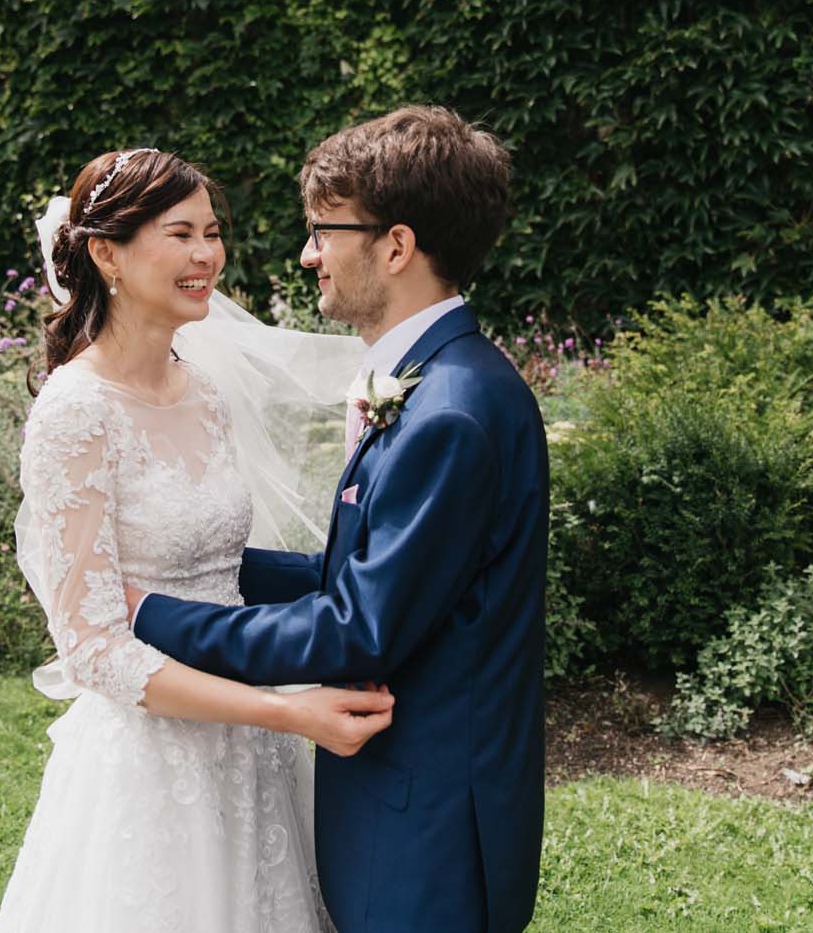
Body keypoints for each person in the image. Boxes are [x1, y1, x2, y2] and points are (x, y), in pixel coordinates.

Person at [129, 106, 550, 933]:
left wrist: (156, 612)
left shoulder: (451, 413)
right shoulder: (436, 380)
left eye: (324, 230)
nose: (308, 252)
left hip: (427, 829)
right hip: (410, 806)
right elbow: (371, 575)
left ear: (395, 246)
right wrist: (212, 559)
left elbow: (359, 627)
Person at [0, 147, 391, 933]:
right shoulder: (75, 412)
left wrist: (339, 585)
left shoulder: (202, 392)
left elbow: (218, 563)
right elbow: (94, 649)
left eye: (211, 232)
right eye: (180, 234)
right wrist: (287, 712)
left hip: (249, 756)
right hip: (153, 766)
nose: (206, 254)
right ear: (106, 252)